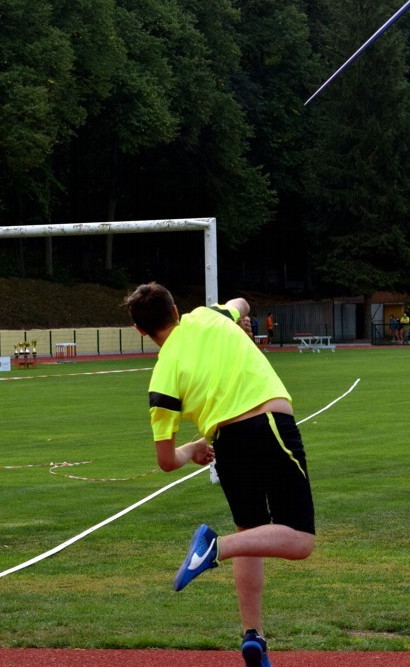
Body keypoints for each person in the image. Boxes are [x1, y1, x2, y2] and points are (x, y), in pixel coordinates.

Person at [124, 283, 315, 667]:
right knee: (300, 540)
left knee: (250, 534)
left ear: (141, 331)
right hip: (268, 423)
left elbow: (166, 460)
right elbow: (241, 302)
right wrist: (242, 317)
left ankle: (253, 636)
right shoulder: (207, 315)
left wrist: (193, 449)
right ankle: (214, 548)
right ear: (175, 310)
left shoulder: (162, 376)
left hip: (226, 443)